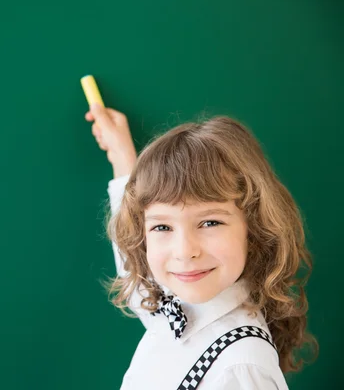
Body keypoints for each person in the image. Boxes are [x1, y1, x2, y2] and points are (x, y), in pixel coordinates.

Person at [85, 103, 317, 389]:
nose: (184, 251)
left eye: (210, 223)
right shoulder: (175, 308)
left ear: (253, 228)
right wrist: (122, 158)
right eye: (162, 227)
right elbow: (134, 275)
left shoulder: (239, 368)